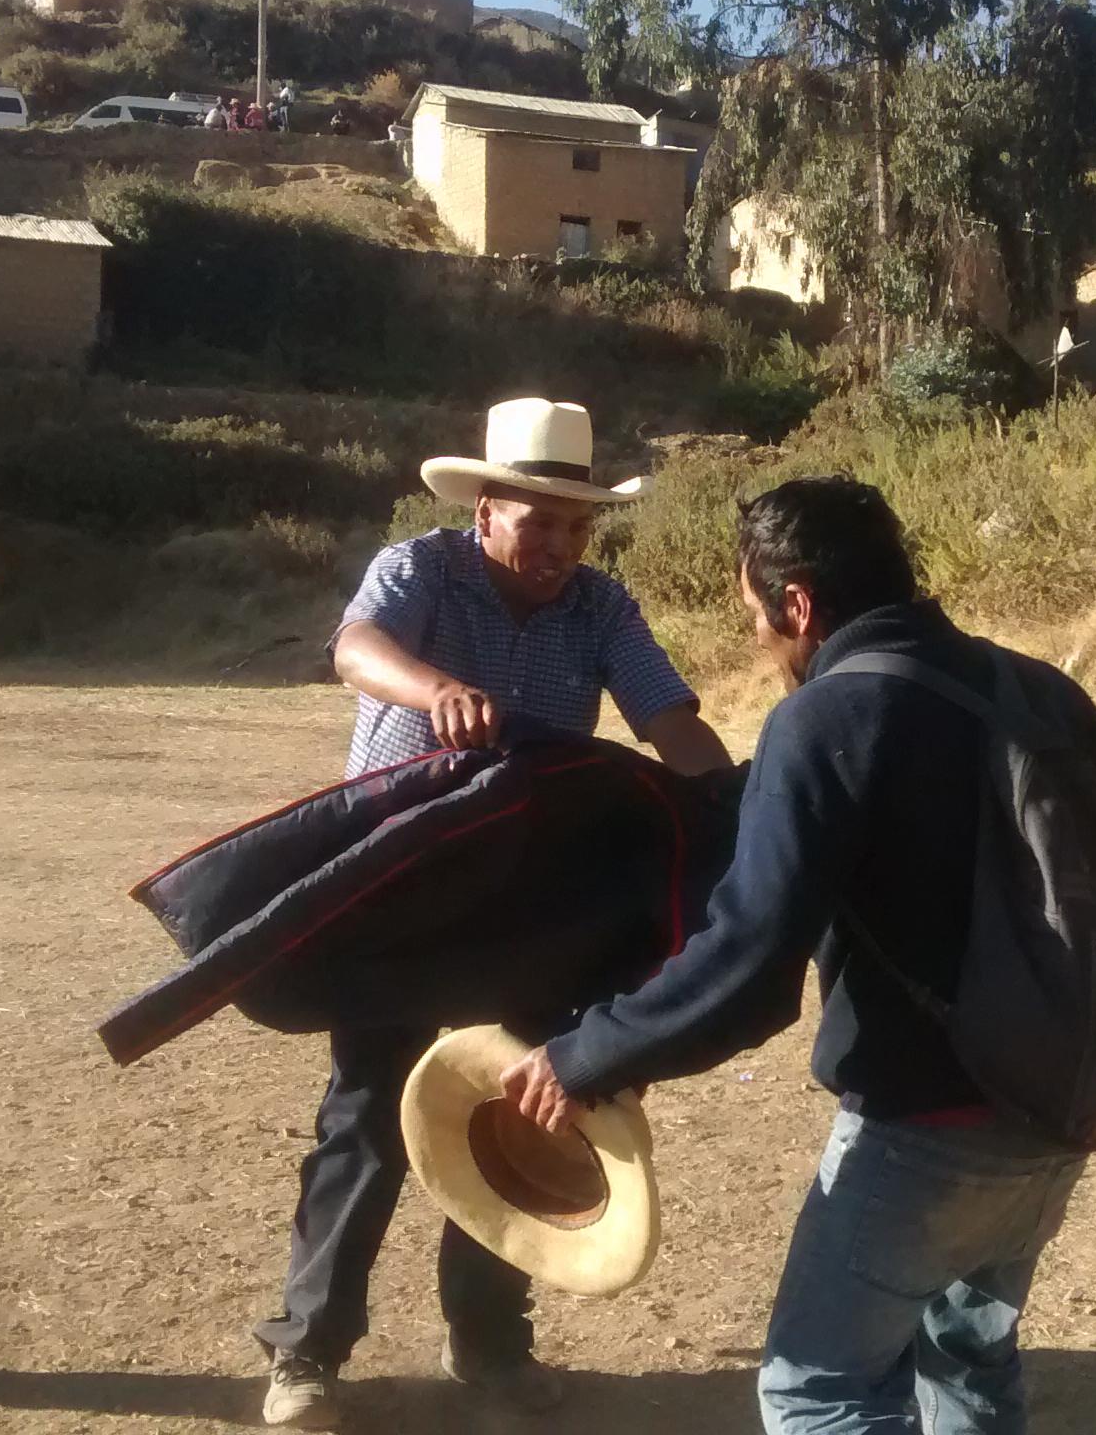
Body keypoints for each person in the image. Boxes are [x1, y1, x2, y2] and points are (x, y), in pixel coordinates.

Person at [503, 477, 1096, 1435]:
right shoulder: (1019, 680)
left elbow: (749, 966)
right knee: (963, 1358)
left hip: (929, 1126)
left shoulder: (823, 718)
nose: (757, 638)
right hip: (1065, 1094)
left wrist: (586, 1056)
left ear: (798, 604)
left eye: (755, 613)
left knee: (817, 1391)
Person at [255, 398, 730, 1430]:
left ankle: (488, 1346)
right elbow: (354, 650)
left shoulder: (602, 609)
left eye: (575, 524)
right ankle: (308, 1354)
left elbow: (670, 721)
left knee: (514, 1113)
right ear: (485, 512)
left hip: (528, 899)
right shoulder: (418, 570)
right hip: (397, 887)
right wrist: (435, 692)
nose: (559, 543)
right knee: (368, 1113)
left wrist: (733, 802)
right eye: (538, 519)